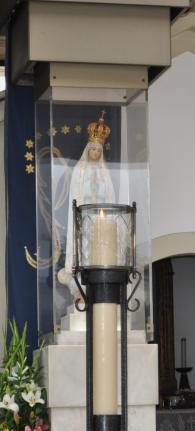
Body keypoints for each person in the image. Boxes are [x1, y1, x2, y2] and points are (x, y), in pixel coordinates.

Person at [57, 111, 115, 300]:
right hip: (84, 219)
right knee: (83, 252)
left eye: (99, 150)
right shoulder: (79, 171)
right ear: (87, 150)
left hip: (99, 221)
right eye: (93, 149)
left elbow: (109, 197)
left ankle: (99, 286)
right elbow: (76, 196)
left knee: (98, 253)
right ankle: (80, 291)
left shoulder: (105, 173)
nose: (96, 153)